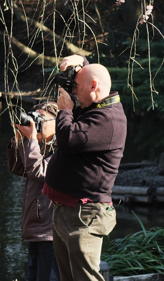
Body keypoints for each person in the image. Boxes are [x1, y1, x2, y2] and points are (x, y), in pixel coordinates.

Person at [42, 64, 127, 281]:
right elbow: (89, 75)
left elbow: (67, 140)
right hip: (67, 210)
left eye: (76, 87)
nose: (72, 92)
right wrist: (79, 60)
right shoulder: (93, 106)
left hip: (85, 215)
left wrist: (64, 110)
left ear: (93, 87)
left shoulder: (109, 119)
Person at [8, 101, 61, 281]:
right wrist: (19, 140)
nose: (36, 123)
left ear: (57, 123)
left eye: (41, 119)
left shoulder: (62, 150)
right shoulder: (40, 146)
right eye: (35, 117)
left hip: (51, 231)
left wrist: (31, 140)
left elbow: (39, 172)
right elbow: (17, 168)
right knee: (34, 275)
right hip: (36, 228)